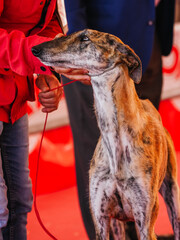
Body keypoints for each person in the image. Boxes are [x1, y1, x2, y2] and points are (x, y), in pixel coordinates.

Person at [59, 0, 175, 239]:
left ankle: (136, 234)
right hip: (99, 58)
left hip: (148, 45)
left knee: (142, 157)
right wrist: (80, 52)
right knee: (98, 160)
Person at [0, 0, 90, 239]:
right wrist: (37, 56)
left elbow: (48, 23)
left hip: (13, 98)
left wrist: (47, 69)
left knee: (19, 200)